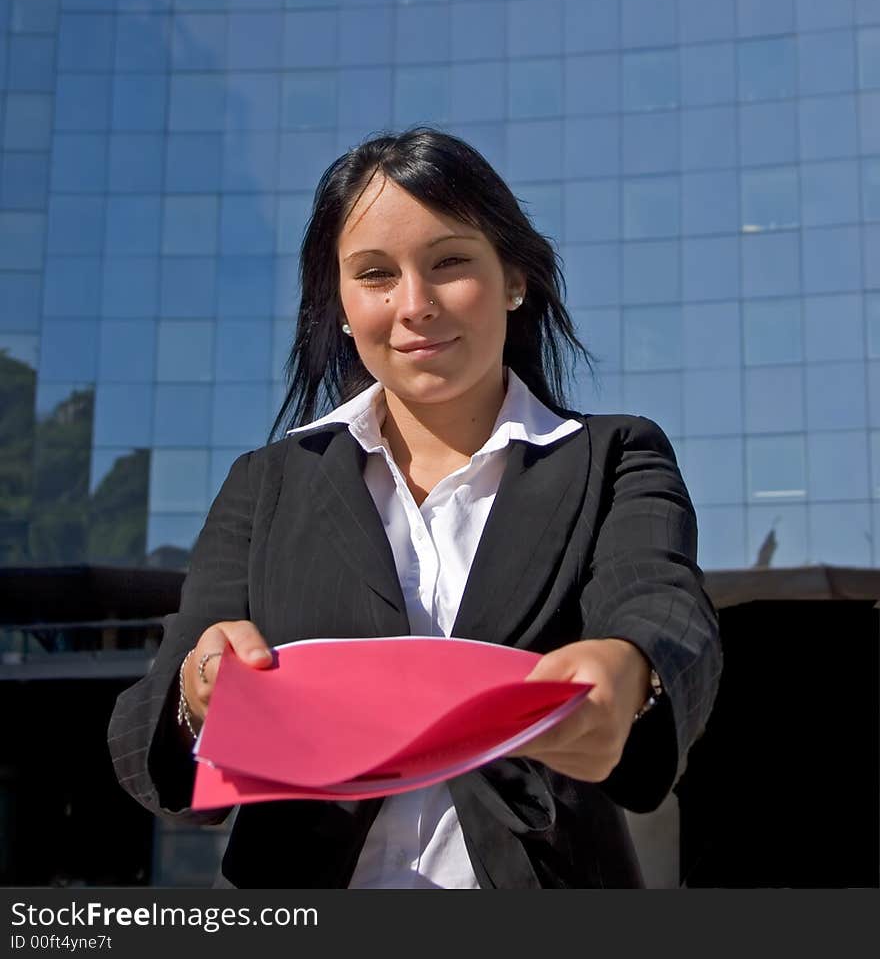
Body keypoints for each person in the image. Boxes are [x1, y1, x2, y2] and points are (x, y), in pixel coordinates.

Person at [108, 126, 722, 889]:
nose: (415, 306)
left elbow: (660, 603)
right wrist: (203, 694)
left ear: (516, 279)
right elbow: (154, 726)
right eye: (375, 275)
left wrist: (628, 671)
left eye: (451, 262)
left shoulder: (615, 457)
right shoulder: (267, 483)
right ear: (339, 303)